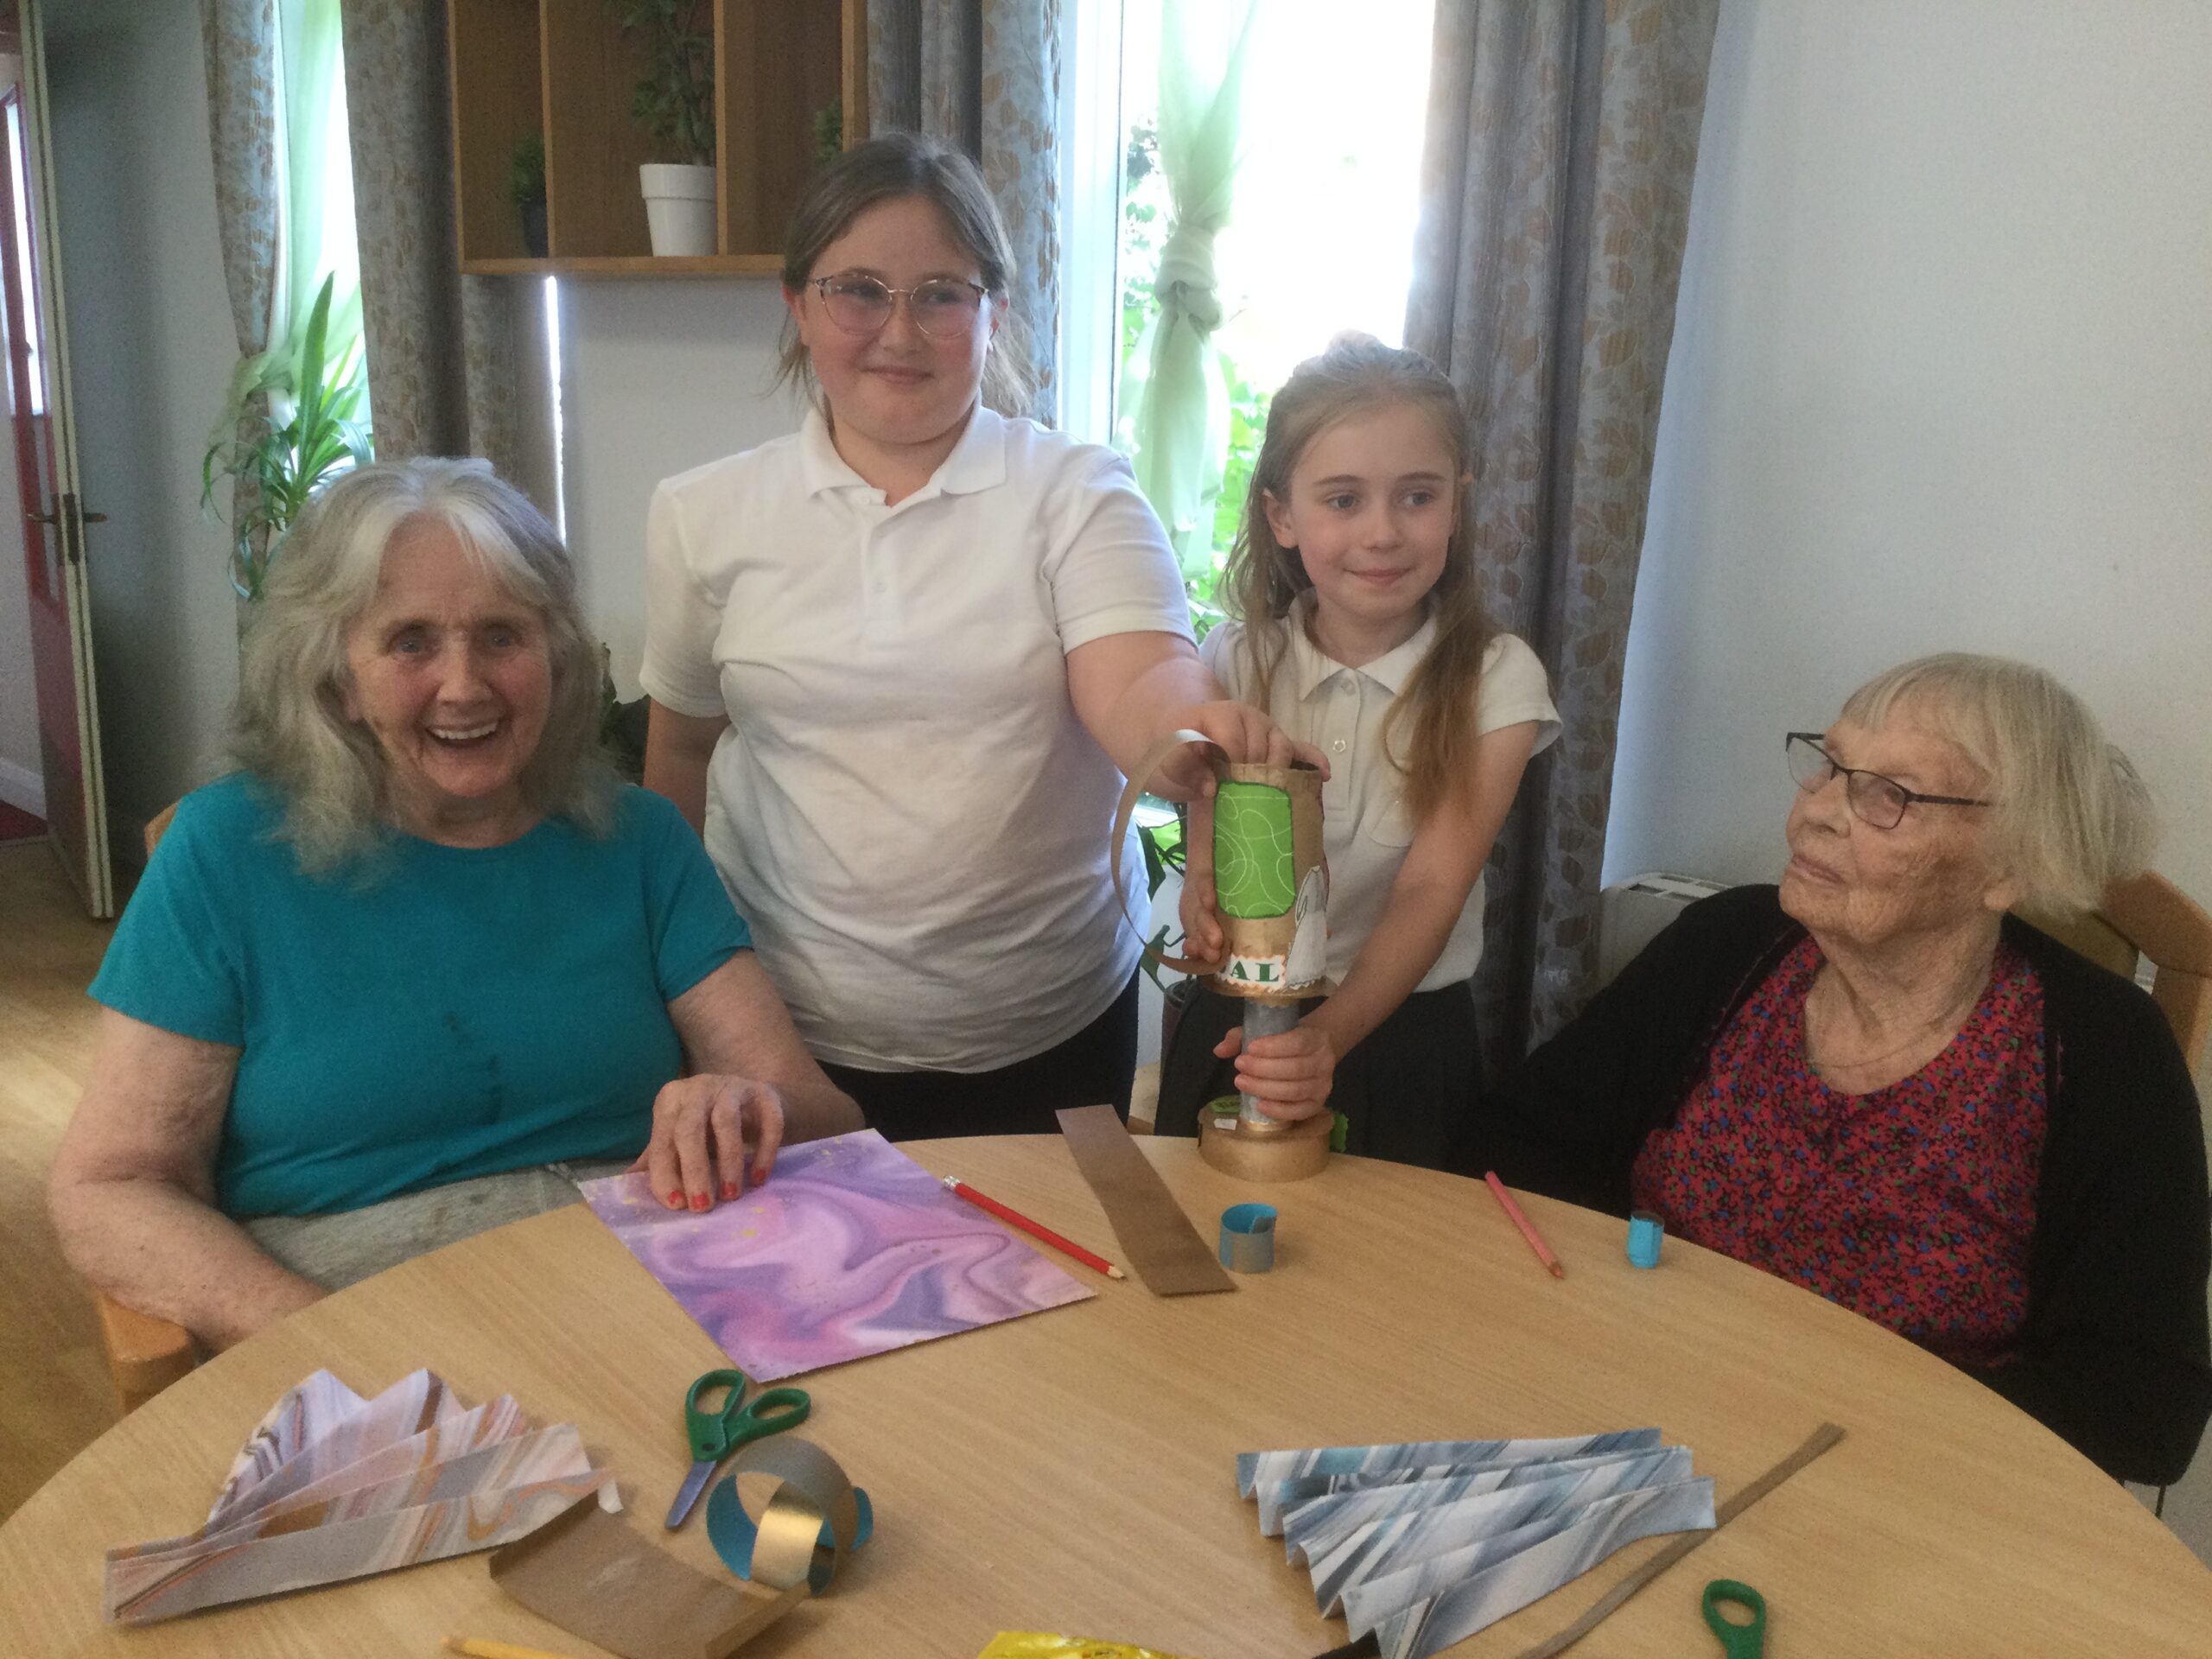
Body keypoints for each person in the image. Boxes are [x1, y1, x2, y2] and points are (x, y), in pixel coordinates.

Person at [48, 460, 861, 1349]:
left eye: (502, 637)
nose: (465, 685)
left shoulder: (636, 838)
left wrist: (745, 1106)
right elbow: (113, 1185)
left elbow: (821, 1112)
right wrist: (320, 1342)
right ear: (337, 676)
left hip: (641, 1288)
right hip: (347, 1300)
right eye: (410, 643)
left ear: (555, 657)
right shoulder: (223, 852)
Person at [639, 131, 1305, 1138]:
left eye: (941, 294)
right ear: (797, 306)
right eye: (857, 289)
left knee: (1061, 1289)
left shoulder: (1076, 492)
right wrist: (680, 993)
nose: (898, 331)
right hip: (788, 1034)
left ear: (993, 311)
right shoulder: (703, 515)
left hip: (1049, 1023)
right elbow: (681, 750)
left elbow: (1136, 682)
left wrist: (1191, 739)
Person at [1462, 653, 2211, 1485]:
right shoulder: (1729, 945)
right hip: (1625, 1419)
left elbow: (2141, 1408)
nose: (1815, 811)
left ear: (2008, 868)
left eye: (1889, 795)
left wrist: (1811, 1398)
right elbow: (1515, 1143)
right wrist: (1631, 1324)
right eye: (1829, 764)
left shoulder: (2105, 1051)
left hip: (1898, 1496)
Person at [1157, 338, 1558, 1167]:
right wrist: (1203, 898)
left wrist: (1326, 1041)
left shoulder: (1498, 679)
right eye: (1343, 500)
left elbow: (1431, 887)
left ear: (1457, 502)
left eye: (1417, 496)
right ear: (1282, 516)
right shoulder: (1235, 657)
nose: (1382, 533)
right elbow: (1210, 827)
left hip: (1398, 1033)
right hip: (1234, 1017)